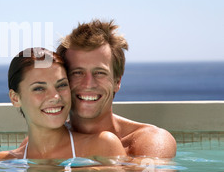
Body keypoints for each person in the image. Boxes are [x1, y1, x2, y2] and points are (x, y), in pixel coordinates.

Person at [57, 19, 177, 158]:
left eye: (100, 73)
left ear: (117, 81)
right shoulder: (39, 145)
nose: (88, 84)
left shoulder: (151, 140)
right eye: (77, 72)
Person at [0, 47, 126, 160]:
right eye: (39, 88)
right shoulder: (4, 162)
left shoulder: (102, 147)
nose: (55, 97)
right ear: (15, 98)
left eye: (61, 85)